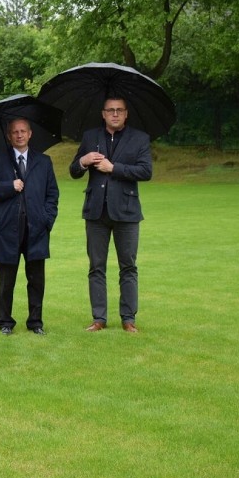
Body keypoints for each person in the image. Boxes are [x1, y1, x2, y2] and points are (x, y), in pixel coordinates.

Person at [69, 96, 153, 333]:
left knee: (128, 266)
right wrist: (83, 161)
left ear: (126, 114)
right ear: (103, 114)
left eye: (119, 110)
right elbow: (74, 171)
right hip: (96, 212)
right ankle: (99, 318)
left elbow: (146, 171)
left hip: (127, 212)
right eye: (110, 110)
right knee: (96, 266)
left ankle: (128, 318)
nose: (115, 114)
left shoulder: (139, 139)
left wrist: (113, 168)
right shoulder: (90, 137)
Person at [0, 118, 59, 336]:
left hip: (36, 229)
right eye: (14, 132)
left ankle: (35, 321)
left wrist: (47, 220)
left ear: (30, 134)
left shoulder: (44, 161)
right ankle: (5, 321)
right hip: (7, 229)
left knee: (36, 280)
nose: (19, 135)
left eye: (22, 131)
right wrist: (9, 186)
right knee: (6, 281)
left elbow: (52, 194)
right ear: (9, 136)